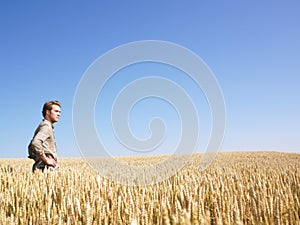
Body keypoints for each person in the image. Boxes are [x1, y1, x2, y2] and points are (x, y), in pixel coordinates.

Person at [28, 100, 61, 172]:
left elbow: (31, 146)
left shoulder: (44, 125)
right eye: (56, 111)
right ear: (47, 112)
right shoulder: (46, 126)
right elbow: (35, 143)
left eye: (59, 112)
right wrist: (45, 160)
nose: (59, 114)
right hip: (46, 168)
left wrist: (37, 158)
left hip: (42, 166)